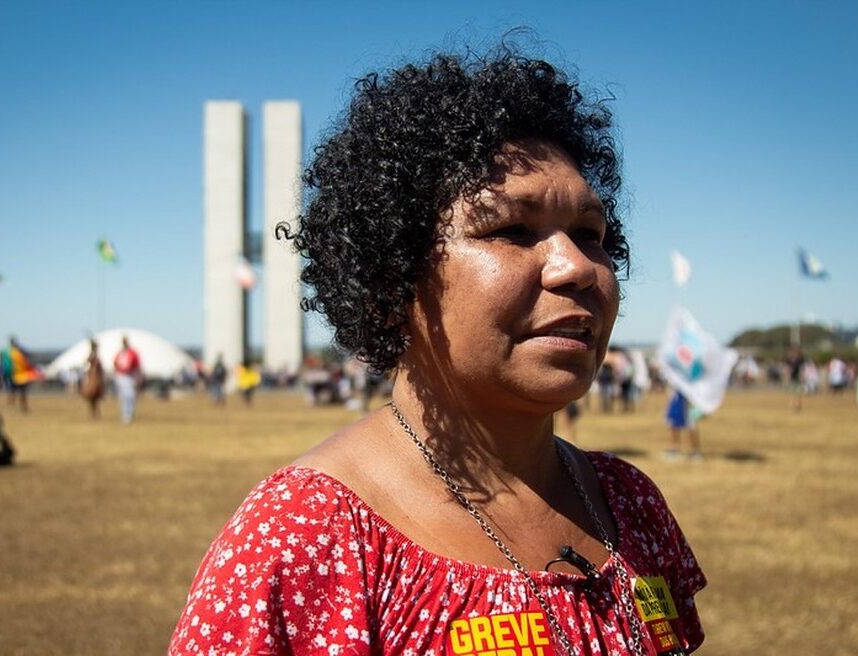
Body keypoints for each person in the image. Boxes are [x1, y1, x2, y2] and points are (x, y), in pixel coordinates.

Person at [170, 44, 705, 655]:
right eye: (510, 229)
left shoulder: (630, 502)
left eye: (590, 234)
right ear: (391, 278)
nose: (577, 267)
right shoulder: (300, 539)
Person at [663, 390, 704, 462]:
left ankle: (695, 452)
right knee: (676, 421)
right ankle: (675, 449)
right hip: (681, 393)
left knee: (690, 422)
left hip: (685, 394)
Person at [113, 336, 141, 423]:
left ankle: (129, 412)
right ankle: (125, 413)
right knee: (123, 396)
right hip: (120, 376)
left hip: (129, 376)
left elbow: (136, 365)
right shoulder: (120, 353)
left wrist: (137, 376)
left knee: (130, 395)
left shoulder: (132, 353)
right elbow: (115, 363)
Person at [7, 336, 39, 413]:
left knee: (21, 392)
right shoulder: (11, 351)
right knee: (14, 392)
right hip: (15, 374)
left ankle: (23, 407)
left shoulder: (17, 350)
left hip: (21, 374)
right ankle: (13, 407)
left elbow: (29, 356)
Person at [80, 339, 105, 418]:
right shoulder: (92, 355)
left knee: (95, 396)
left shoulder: (96, 356)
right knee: (91, 396)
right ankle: (94, 413)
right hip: (91, 377)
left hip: (95, 378)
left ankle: (96, 413)